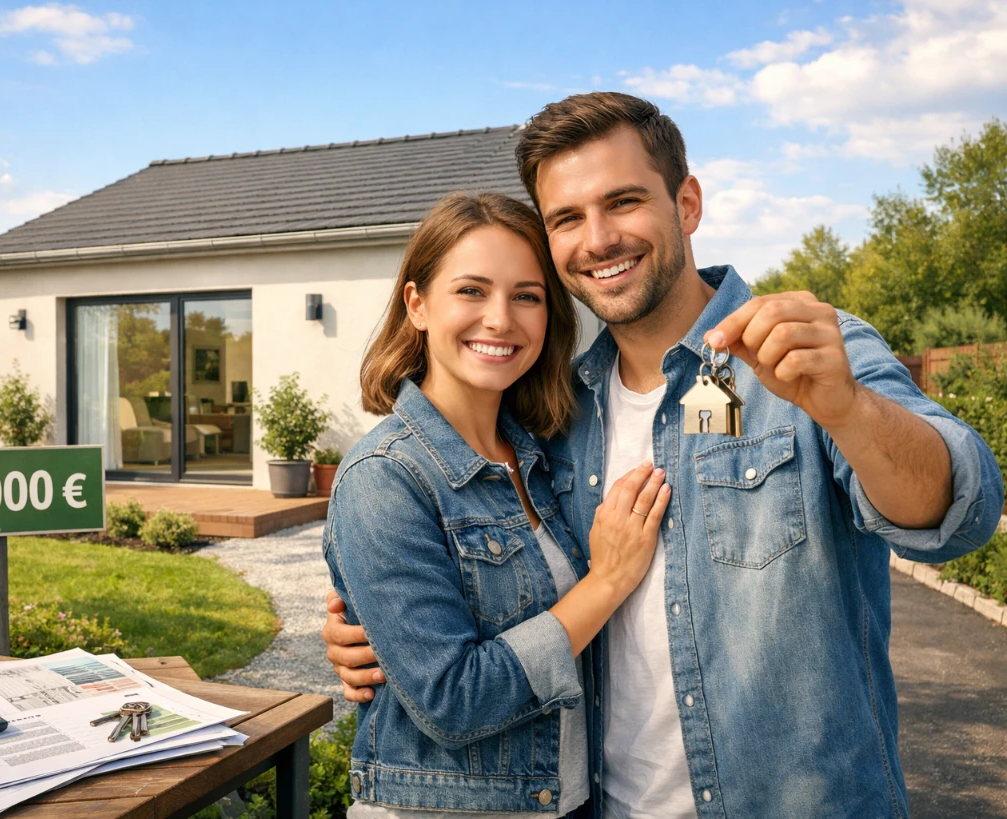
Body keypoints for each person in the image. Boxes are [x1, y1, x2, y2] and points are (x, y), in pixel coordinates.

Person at [324, 92, 1005, 818]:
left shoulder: (808, 358)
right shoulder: (558, 415)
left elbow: (958, 513)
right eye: (567, 218)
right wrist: (378, 636)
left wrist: (850, 410)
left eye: (623, 202)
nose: (598, 239)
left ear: (687, 203)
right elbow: (491, 607)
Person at [323, 190, 673, 817]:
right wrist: (608, 580)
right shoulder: (385, 476)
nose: (500, 319)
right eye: (471, 291)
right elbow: (452, 701)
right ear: (417, 304)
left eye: (526, 296)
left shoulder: (543, 456)